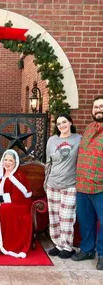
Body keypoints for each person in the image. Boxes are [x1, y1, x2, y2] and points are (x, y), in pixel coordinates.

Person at [0, 149, 33, 258]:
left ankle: (5, 244)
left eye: (10, 161)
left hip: (18, 205)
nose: (7, 163)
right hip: (3, 203)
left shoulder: (18, 176)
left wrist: (0, 200)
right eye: (6, 160)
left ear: (15, 163)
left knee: (2, 210)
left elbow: (17, 197)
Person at [71, 96, 103, 270]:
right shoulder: (89, 129)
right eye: (96, 107)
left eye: (102, 106)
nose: (98, 109)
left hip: (101, 187)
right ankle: (87, 249)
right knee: (86, 220)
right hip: (83, 186)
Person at [45, 114, 81, 259]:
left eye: (64, 122)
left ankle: (67, 246)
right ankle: (58, 245)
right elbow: (48, 162)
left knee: (66, 217)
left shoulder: (78, 139)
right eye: (59, 123)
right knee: (54, 217)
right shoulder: (52, 140)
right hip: (52, 183)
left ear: (70, 122)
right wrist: (45, 182)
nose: (62, 125)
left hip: (70, 184)